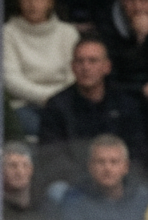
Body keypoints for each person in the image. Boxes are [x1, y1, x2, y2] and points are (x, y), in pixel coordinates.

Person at [39, 36, 148, 185]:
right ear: (72, 67)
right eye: (80, 61)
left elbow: (138, 151)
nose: (86, 67)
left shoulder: (126, 104)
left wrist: (117, 178)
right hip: (76, 186)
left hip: (123, 184)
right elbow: (52, 157)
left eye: (93, 61)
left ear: (107, 66)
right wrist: (92, 180)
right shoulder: (57, 106)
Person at [2, 0, 80, 138]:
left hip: (65, 104)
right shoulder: (7, 32)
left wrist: (58, 100)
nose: (32, 4)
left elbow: (75, 75)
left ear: (51, 3)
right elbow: (10, 79)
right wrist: (50, 97)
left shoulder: (68, 33)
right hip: (22, 105)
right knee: (46, 129)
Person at [60, 133, 148, 220]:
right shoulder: (74, 202)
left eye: (114, 162)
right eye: (101, 162)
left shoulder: (143, 200)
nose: (107, 168)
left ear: (126, 166)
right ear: (90, 166)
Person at [2, 140, 67, 220]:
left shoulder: (45, 207)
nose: (20, 171)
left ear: (31, 169)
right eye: (13, 166)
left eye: (25, 165)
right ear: (1, 170)